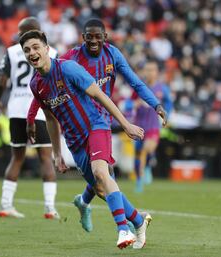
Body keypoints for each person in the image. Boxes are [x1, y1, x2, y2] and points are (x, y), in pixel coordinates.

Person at [27, 19, 167, 232]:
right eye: (89, 37)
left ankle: (128, 225)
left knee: (102, 174)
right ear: (83, 38)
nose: (93, 41)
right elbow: (44, 86)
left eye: (97, 37)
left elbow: (135, 82)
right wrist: (30, 118)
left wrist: (155, 104)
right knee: (101, 182)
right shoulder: (71, 58)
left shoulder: (113, 55)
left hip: (100, 119)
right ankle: (92, 205)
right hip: (76, 124)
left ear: (105, 38)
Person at [0, 17, 59, 219]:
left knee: (17, 157)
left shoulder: (12, 51)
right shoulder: (51, 52)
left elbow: (2, 80)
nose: (19, 36)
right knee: (45, 158)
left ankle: (5, 204)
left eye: (21, 32)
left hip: (15, 109)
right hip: (39, 109)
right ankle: (49, 207)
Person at [133, 60, 173, 191]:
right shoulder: (138, 86)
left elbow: (169, 103)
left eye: (152, 70)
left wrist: (166, 116)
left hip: (153, 126)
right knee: (138, 154)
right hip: (139, 125)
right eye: (147, 70)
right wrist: (134, 104)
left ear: (156, 72)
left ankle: (147, 167)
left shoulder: (162, 88)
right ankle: (139, 181)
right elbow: (127, 103)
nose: (150, 73)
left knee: (146, 150)